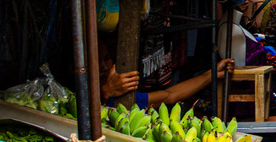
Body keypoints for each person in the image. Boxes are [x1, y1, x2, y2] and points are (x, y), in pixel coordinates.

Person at [98, 40, 234, 110]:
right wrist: (104, 93)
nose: (104, 67)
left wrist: (212, 74)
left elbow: (170, 95)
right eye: (97, 61)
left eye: (107, 58)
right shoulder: (78, 93)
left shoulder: (122, 92)